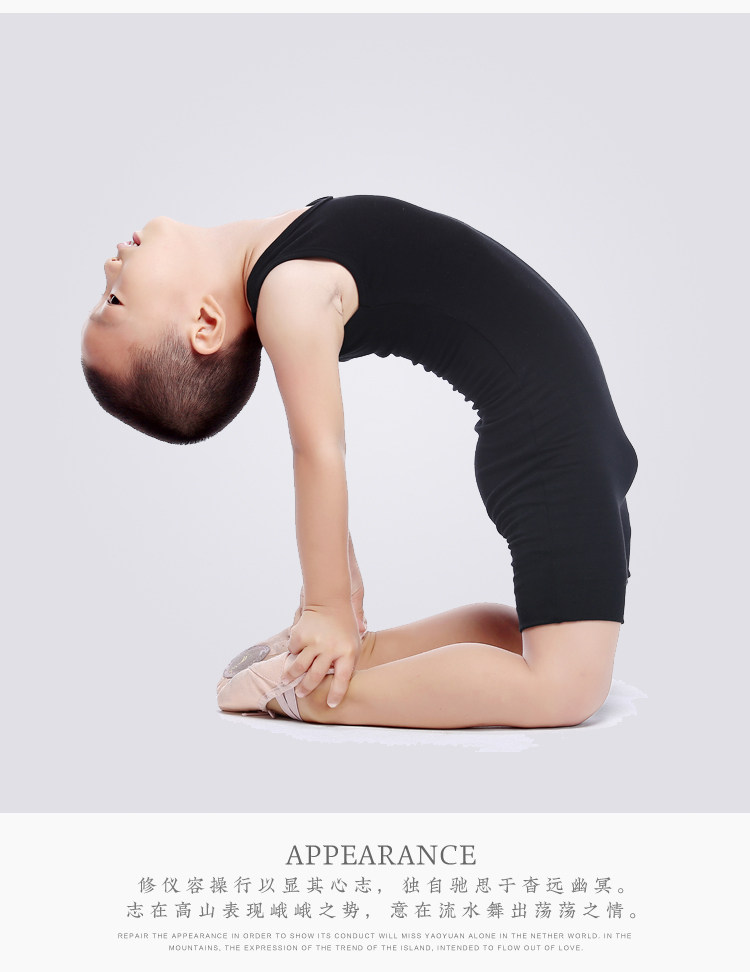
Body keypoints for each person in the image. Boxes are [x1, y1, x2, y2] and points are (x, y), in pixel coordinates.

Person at [81, 194, 638, 730]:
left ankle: (354, 661)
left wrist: (340, 598)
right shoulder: (288, 290)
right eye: (114, 300)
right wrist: (327, 609)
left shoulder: (283, 256)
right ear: (205, 324)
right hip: (552, 442)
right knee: (568, 687)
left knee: (520, 641)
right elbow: (318, 450)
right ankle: (316, 696)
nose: (109, 269)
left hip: (564, 433)